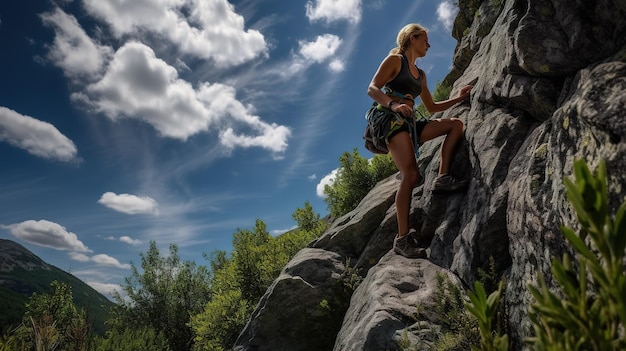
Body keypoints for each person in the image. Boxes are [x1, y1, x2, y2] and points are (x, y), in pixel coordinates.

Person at [367, 23, 473, 258]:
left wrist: (459, 98)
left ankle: (443, 178)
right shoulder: (395, 61)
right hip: (389, 119)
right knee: (411, 175)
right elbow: (372, 89)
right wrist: (394, 104)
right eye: (425, 39)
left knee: (455, 125)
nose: (429, 44)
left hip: (410, 124)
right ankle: (402, 240)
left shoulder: (421, 75)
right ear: (412, 38)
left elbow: (432, 107)